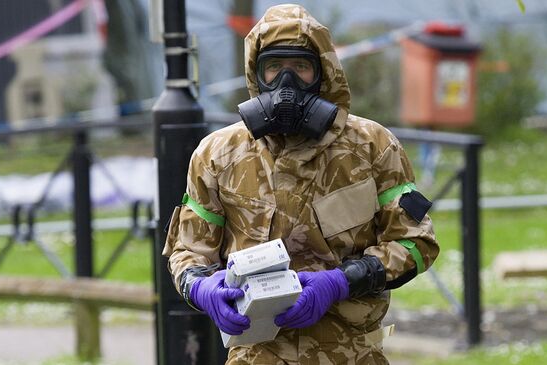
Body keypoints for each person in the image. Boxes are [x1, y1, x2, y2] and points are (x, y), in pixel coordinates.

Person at [162, 4, 440, 364]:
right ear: (255, 74)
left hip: (350, 355)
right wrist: (201, 286)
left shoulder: (373, 147)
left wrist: (341, 282)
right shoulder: (218, 153)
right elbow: (187, 249)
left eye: (300, 68)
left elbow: (417, 242)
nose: (286, 84)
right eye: (274, 68)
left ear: (323, 74)